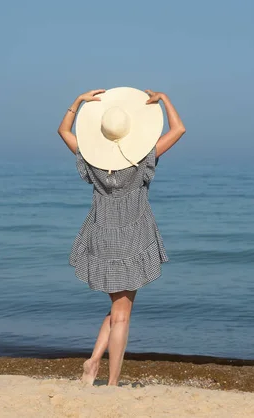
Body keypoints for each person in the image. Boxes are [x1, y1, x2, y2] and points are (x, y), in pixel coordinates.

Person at [57, 87, 186, 386]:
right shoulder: (142, 159)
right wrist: (164, 100)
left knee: (118, 307)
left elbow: (62, 129)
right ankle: (112, 382)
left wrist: (77, 102)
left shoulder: (90, 159)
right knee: (123, 315)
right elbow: (179, 129)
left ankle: (92, 363)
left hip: (101, 234)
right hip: (132, 237)